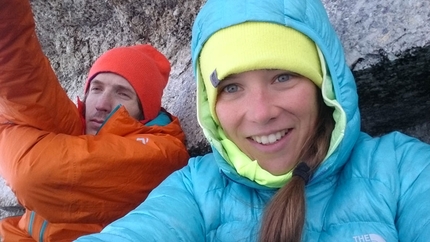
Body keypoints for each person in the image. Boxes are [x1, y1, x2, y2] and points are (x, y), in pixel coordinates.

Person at [76, 0, 430, 241]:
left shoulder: (402, 171)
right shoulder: (194, 190)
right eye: (231, 87)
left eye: (282, 77)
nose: (261, 113)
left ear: (324, 82)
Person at [0, 0, 190, 241]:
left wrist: (13, 130)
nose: (101, 104)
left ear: (146, 111)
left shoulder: (163, 152)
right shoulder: (75, 127)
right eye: (96, 88)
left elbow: (33, 176)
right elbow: (21, 81)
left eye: (122, 93)